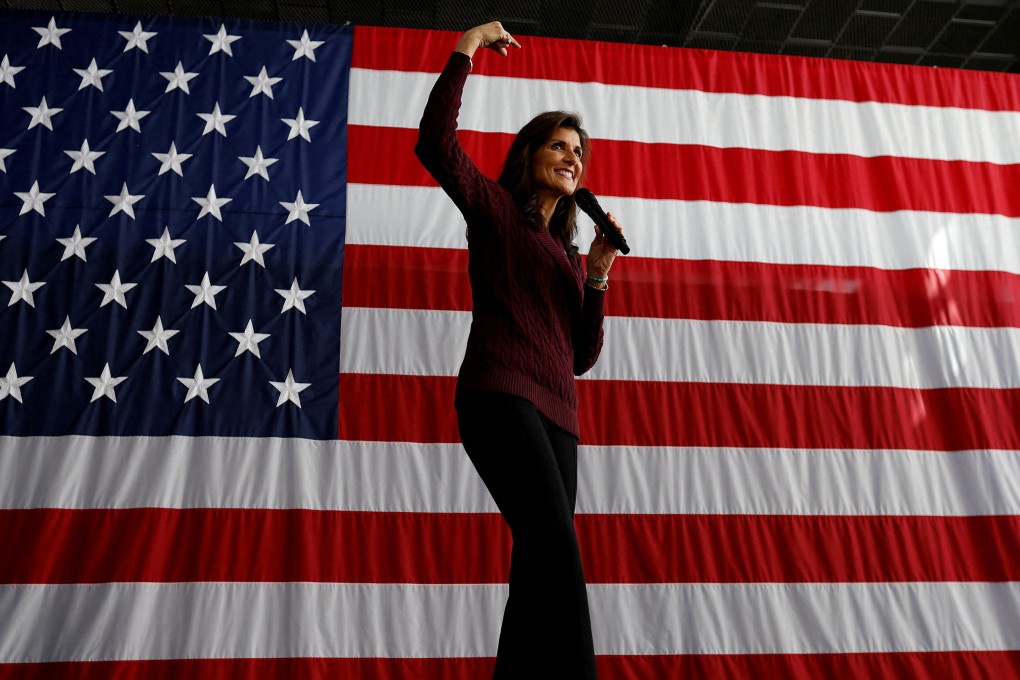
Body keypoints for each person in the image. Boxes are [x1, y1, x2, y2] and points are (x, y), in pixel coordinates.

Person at [415, 21, 623, 680]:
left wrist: (595, 275)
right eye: (558, 145)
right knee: (558, 552)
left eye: (579, 151)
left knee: (539, 561)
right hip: (500, 397)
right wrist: (468, 47)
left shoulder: (565, 256)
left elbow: (581, 355)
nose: (571, 156)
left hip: (561, 414)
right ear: (530, 153)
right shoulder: (497, 209)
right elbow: (436, 146)